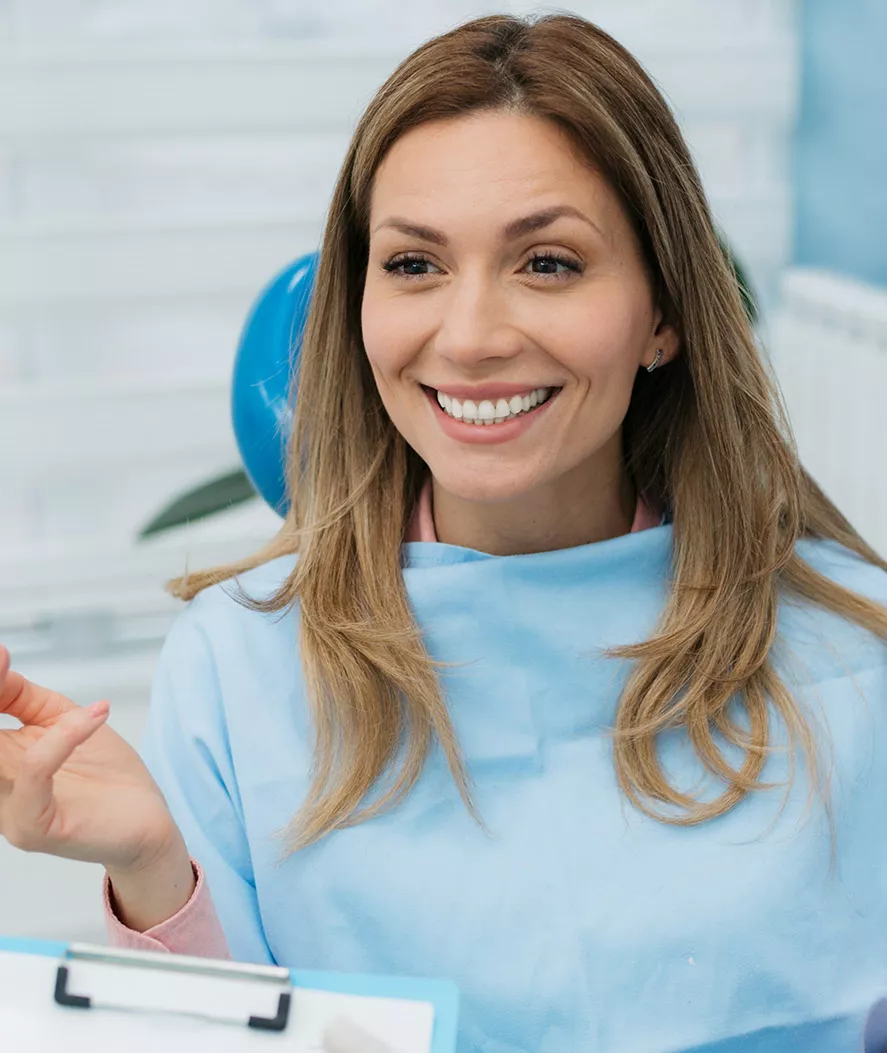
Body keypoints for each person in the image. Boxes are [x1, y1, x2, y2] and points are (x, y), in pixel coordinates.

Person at [2, 13, 887, 1053]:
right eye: (414, 265)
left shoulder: (848, 654)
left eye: (547, 263)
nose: (467, 339)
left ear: (663, 313)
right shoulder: (239, 667)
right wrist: (153, 868)